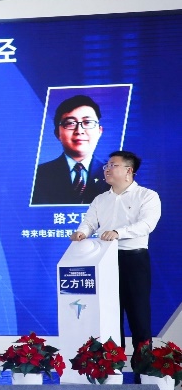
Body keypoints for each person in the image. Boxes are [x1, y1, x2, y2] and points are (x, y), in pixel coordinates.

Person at [72, 151, 161, 358]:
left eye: (113, 165)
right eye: (106, 166)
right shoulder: (101, 199)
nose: (107, 169)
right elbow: (89, 222)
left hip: (133, 259)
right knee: (109, 314)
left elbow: (147, 224)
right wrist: (82, 232)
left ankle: (144, 366)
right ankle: (113, 364)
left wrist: (118, 232)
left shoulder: (147, 196)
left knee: (138, 314)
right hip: (104, 260)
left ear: (129, 170)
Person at [31, 94, 109, 205]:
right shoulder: (38, 176)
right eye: (70, 123)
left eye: (87, 122)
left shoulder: (116, 175)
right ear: (57, 133)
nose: (79, 131)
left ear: (99, 131)